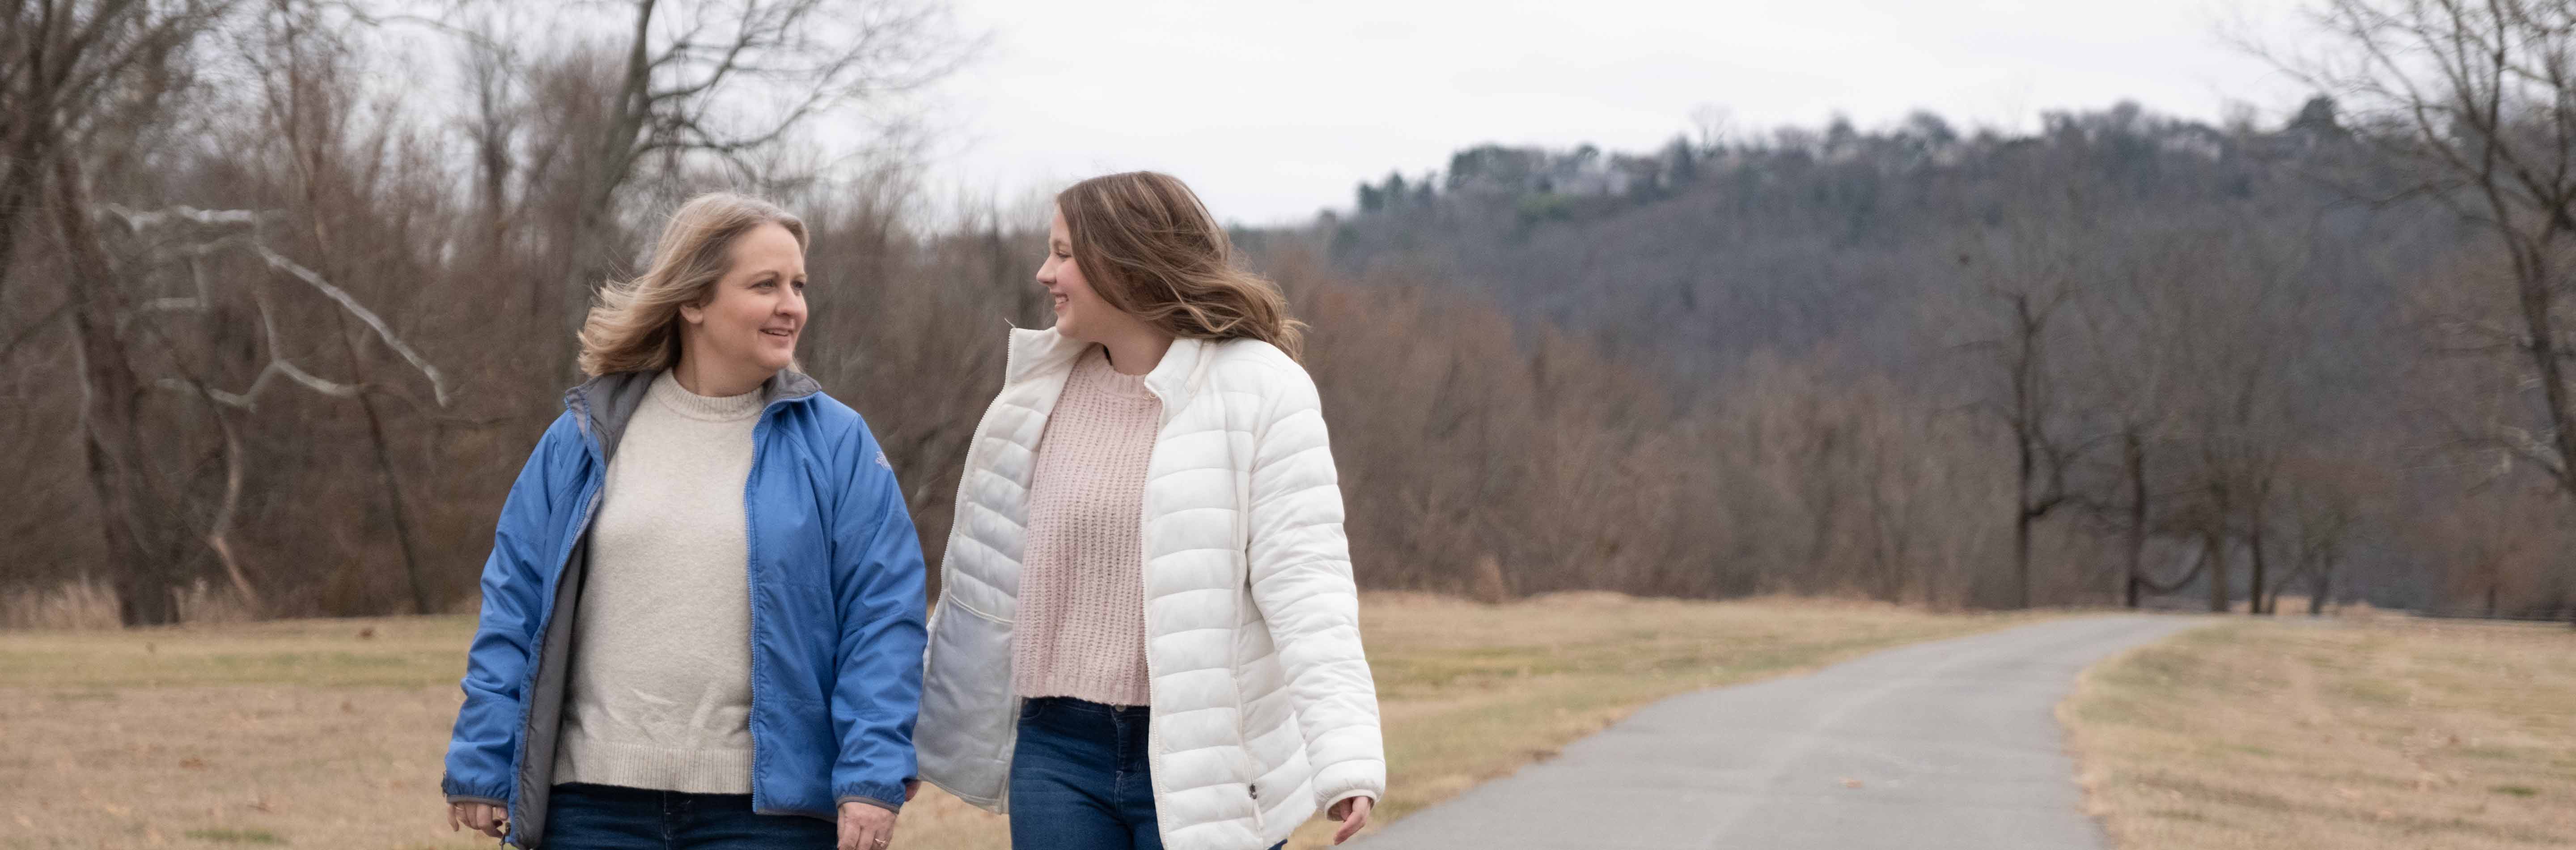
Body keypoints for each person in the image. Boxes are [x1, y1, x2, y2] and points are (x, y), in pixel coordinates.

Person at [439, 192, 928, 850]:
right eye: (766, 285)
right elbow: (515, 602)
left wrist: (872, 776)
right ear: (693, 301)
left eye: (798, 285)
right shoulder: (586, 435)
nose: (793, 305)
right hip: (589, 808)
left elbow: (882, 617)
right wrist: (483, 756)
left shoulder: (837, 444)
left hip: (768, 818)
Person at [915, 171, 1386, 850]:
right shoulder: (1035, 394)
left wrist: (1345, 755)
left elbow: (1308, 585)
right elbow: (980, 588)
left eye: (1064, 253)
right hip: (1056, 751)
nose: (1046, 273)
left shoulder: (1262, 390)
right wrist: (907, 738)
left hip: (1205, 758)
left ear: (1127, 262)